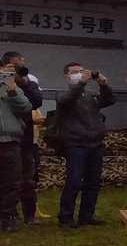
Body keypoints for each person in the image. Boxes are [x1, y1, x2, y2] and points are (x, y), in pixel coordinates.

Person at [54, 62, 115, 228]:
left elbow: (109, 100)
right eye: (74, 72)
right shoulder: (62, 94)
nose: (79, 74)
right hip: (75, 144)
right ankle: (66, 216)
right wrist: (81, 83)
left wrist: (103, 85)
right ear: (66, 76)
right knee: (74, 181)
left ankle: (87, 215)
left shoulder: (90, 95)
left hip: (95, 143)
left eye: (81, 71)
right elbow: (67, 99)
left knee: (93, 181)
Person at [0, 51, 45, 225]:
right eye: (14, 65)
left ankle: (24, 215)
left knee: (22, 180)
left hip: (21, 139)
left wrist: (18, 83)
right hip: (11, 139)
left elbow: (32, 103)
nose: (19, 67)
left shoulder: (22, 82)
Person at [0, 62, 34, 233]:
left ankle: (8, 217)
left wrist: (12, 90)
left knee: (11, 182)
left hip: (10, 141)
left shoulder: (11, 87)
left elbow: (26, 108)